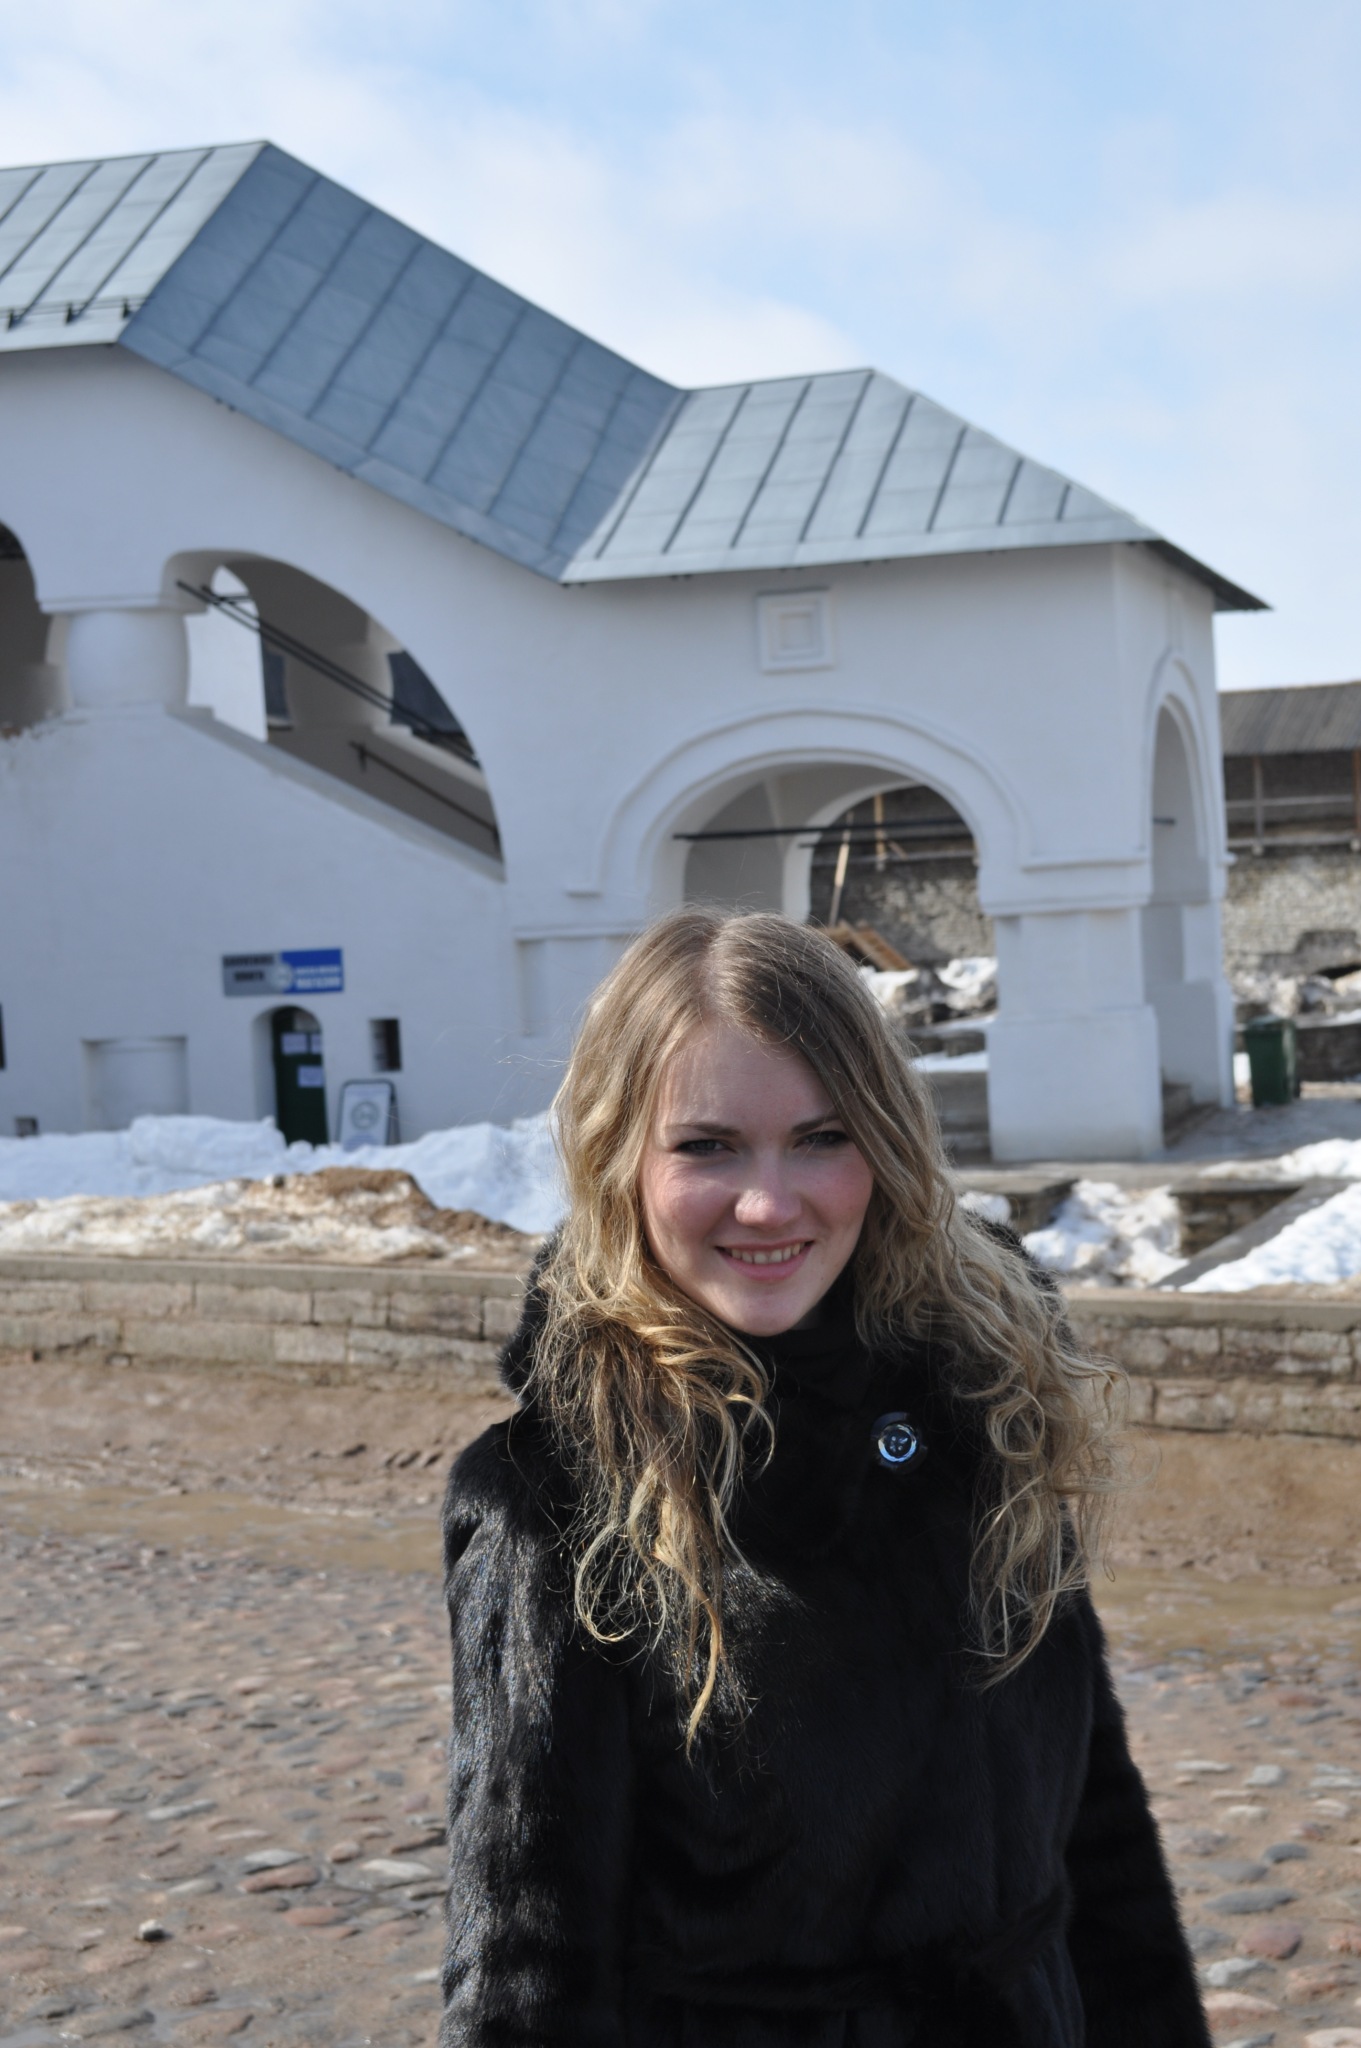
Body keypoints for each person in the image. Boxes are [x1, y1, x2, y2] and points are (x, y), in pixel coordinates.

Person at [439, 909, 1209, 2048]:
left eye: (819, 1136)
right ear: (619, 1158)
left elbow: (1096, 1836)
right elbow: (528, 1969)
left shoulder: (977, 1404)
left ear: (884, 1142)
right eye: (705, 1147)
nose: (767, 1202)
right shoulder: (556, 1497)